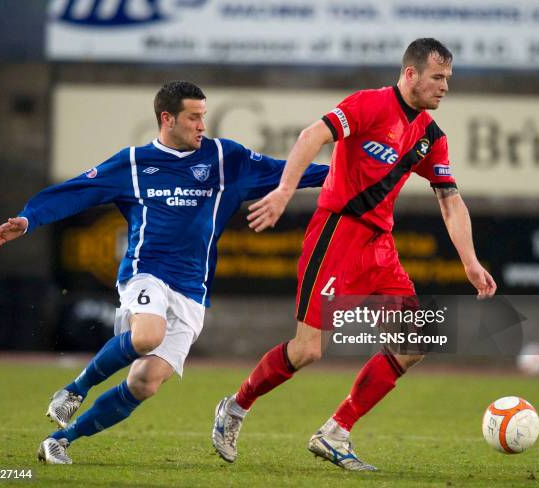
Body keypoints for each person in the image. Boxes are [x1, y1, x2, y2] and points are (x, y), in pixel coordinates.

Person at [0, 81, 329, 465]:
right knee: (148, 335)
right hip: (145, 272)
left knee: (144, 383)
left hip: (192, 290)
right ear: (167, 119)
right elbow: (77, 190)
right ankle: (73, 391)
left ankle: (60, 440)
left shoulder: (224, 159)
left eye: (204, 115)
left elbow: (288, 172)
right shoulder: (133, 164)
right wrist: (30, 218)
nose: (203, 124)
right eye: (194, 117)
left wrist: (347, 177)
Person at [212, 38, 497, 471]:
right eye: (437, 77)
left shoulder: (431, 137)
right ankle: (235, 406)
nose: (444, 87)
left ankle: (335, 432)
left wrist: (470, 262)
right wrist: (285, 190)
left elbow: (450, 200)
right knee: (308, 350)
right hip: (336, 234)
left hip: (379, 246)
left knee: (416, 341)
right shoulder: (369, 105)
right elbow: (313, 135)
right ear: (410, 74)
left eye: (448, 79)